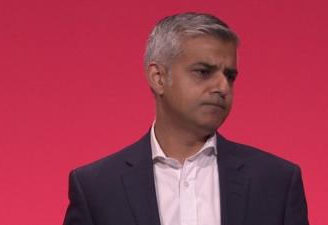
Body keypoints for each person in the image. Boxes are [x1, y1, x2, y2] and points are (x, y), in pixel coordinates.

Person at [63, 12, 309, 225]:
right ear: (158, 77)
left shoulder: (276, 182)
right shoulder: (97, 188)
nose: (223, 86)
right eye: (203, 72)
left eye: (230, 76)